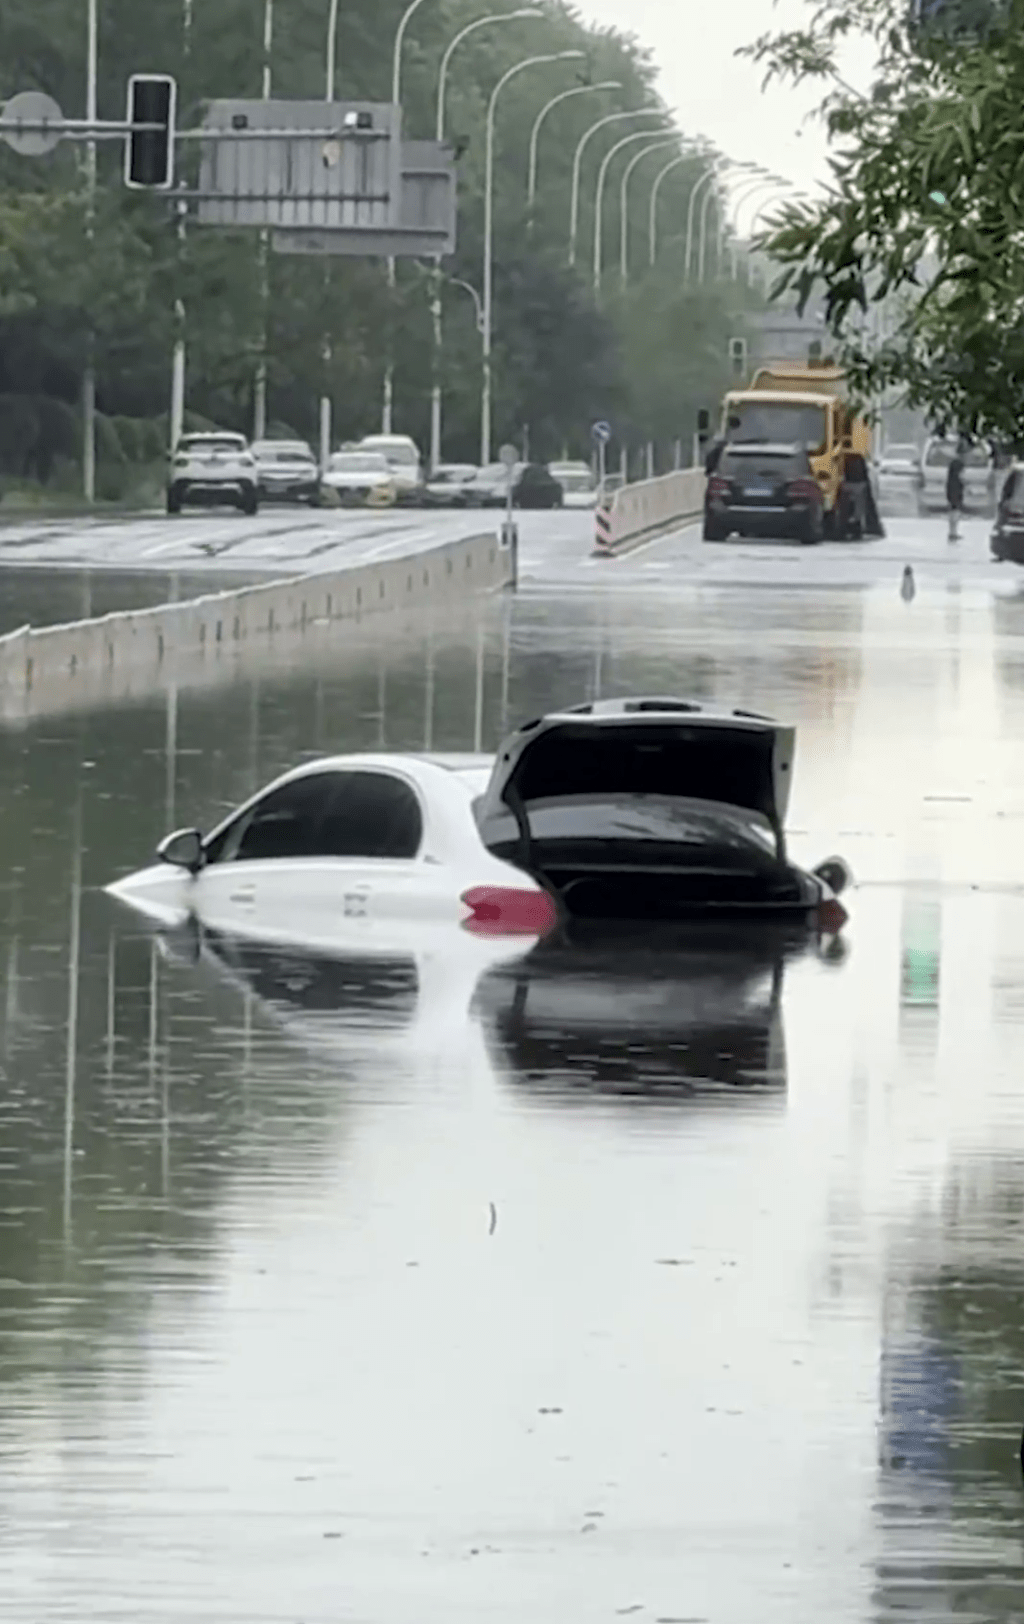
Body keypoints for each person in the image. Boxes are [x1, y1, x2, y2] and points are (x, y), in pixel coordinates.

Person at [946, 443, 965, 541]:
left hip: (951, 489)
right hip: (956, 490)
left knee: (952, 512)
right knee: (956, 512)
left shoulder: (952, 463)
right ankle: (953, 533)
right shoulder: (959, 463)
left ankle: (952, 532)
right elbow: (961, 477)